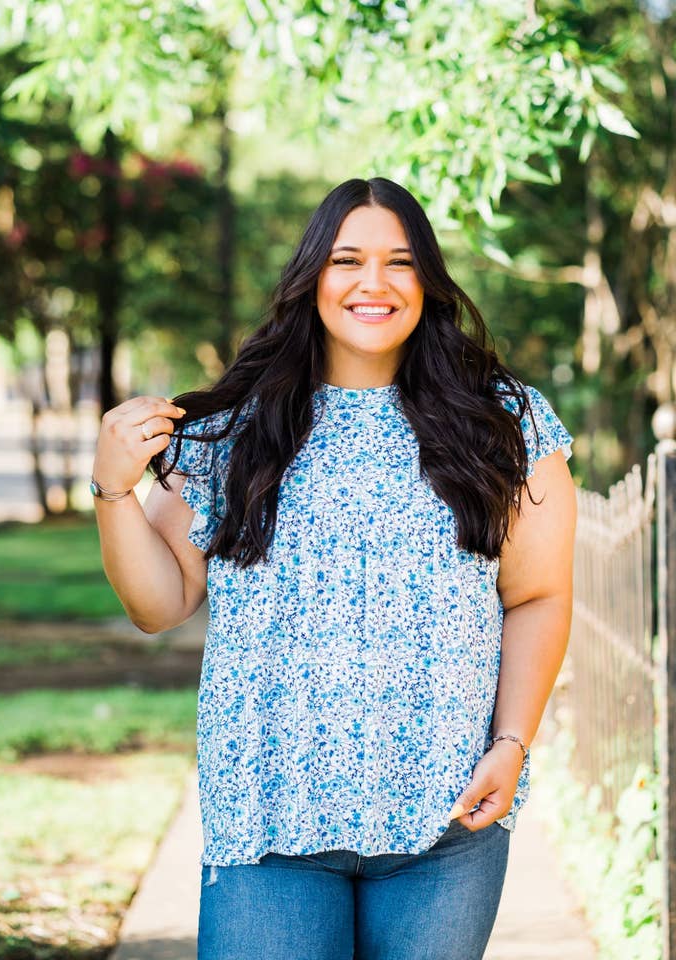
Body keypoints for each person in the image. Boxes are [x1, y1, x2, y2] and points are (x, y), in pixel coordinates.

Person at [91, 177, 577, 960]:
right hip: (268, 819)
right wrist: (113, 489)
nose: (374, 283)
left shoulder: (506, 425)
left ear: (430, 281)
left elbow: (540, 597)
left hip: (446, 821)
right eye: (348, 259)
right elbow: (159, 602)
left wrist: (512, 744)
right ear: (312, 276)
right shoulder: (232, 429)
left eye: (401, 262)